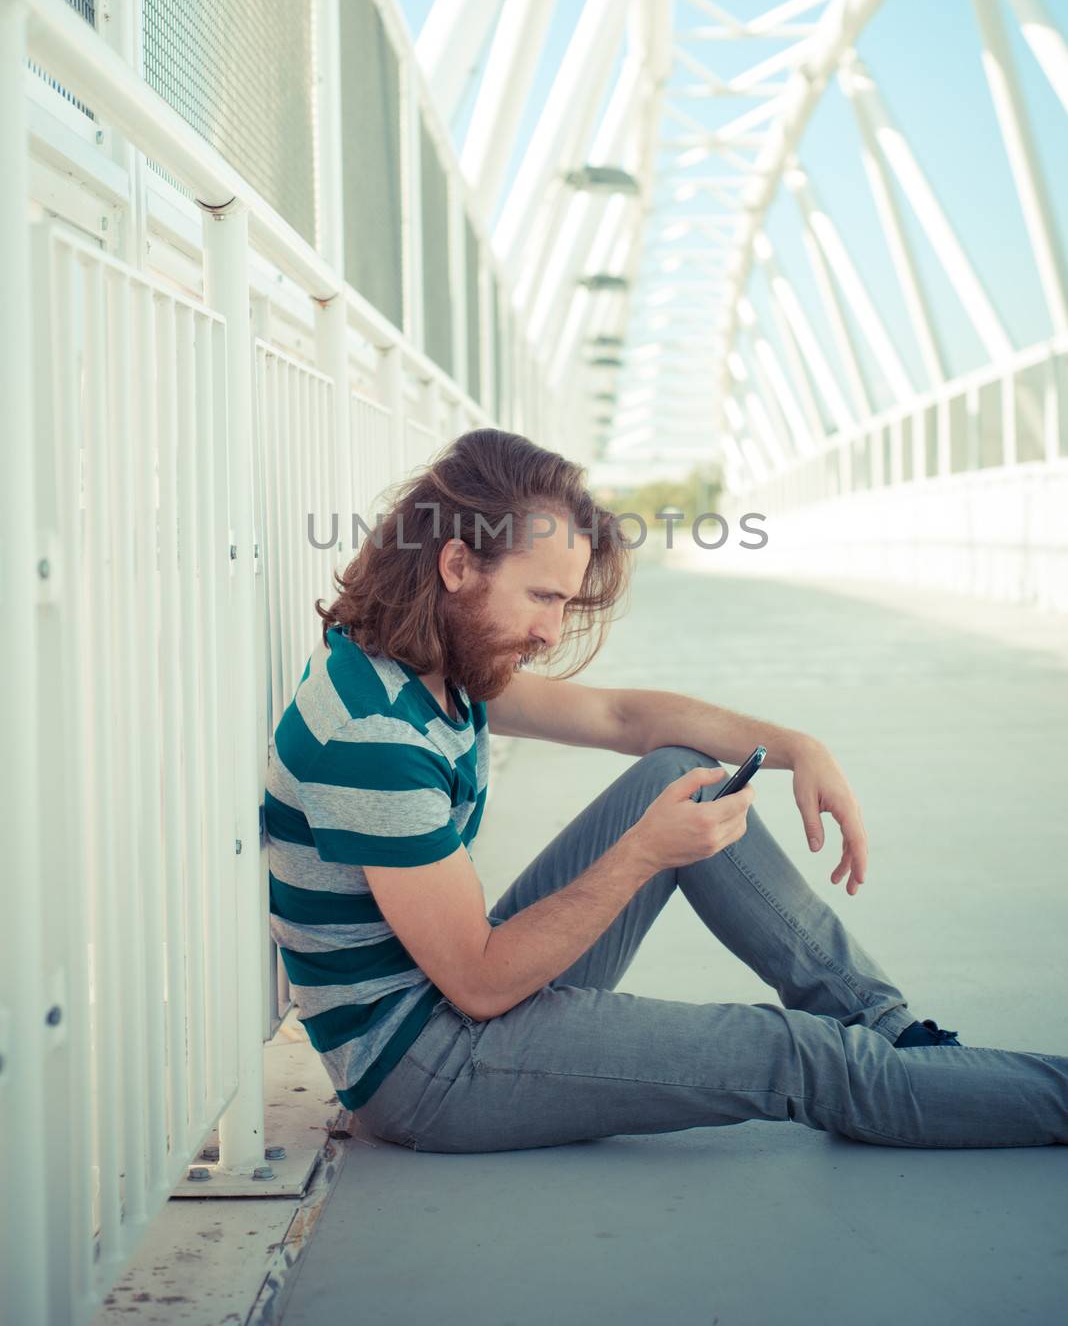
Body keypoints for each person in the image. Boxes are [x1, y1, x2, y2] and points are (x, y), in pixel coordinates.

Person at [265, 428, 1068, 1153]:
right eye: (542, 596)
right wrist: (643, 853)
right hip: (425, 1069)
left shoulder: (433, 660)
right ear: (456, 565)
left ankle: (892, 1034)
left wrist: (795, 746)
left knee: (675, 774)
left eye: (564, 603)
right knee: (798, 1057)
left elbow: (623, 716)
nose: (551, 632)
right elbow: (477, 983)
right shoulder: (372, 733)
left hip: (455, 1001)